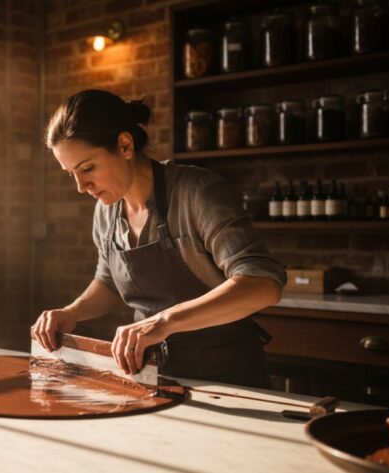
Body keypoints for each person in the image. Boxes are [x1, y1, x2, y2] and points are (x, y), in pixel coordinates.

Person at [31, 89, 287, 389]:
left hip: (228, 376)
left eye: (87, 168)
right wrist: (72, 312)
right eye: (71, 173)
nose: (80, 186)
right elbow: (110, 283)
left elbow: (263, 285)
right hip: (152, 374)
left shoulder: (197, 192)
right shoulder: (106, 211)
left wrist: (164, 323)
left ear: (125, 145)